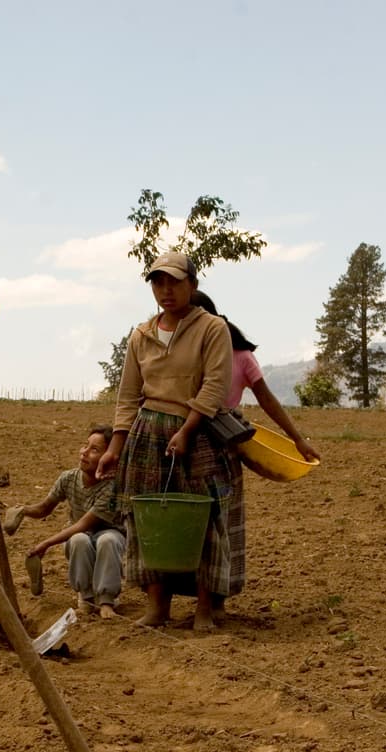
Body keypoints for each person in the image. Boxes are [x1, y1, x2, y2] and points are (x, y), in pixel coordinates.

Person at [95, 251, 234, 632]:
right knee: (148, 519)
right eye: (158, 282)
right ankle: (158, 606)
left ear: (193, 284)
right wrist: (114, 448)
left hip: (198, 430)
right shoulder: (141, 335)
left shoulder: (211, 328)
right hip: (147, 432)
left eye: (174, 281)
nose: (166, 290)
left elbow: (215, 385)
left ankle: (204, 608)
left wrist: (187, 429)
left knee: (202, 519)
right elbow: (128, 396)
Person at [176, 292, 321, 617]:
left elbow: (267, 400)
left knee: (223, 523)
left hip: (222, 446)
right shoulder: (182, 356)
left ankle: (217, 601)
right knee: (187, 522)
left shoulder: (240, 357)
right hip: (182, 443)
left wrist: (298, 439)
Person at [3, 426, 125, 618]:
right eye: (85, 445)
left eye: (94, 450)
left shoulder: (112, 487)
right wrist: (23, 510)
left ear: (109, 456)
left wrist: (47, 543)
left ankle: (107, 600)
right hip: (80, 534)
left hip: (109, 532)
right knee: (78, 540)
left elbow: (85, 523)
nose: (84, 452)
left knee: (106, 541)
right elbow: (44, 508)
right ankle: (85, 598)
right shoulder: (68, 478)